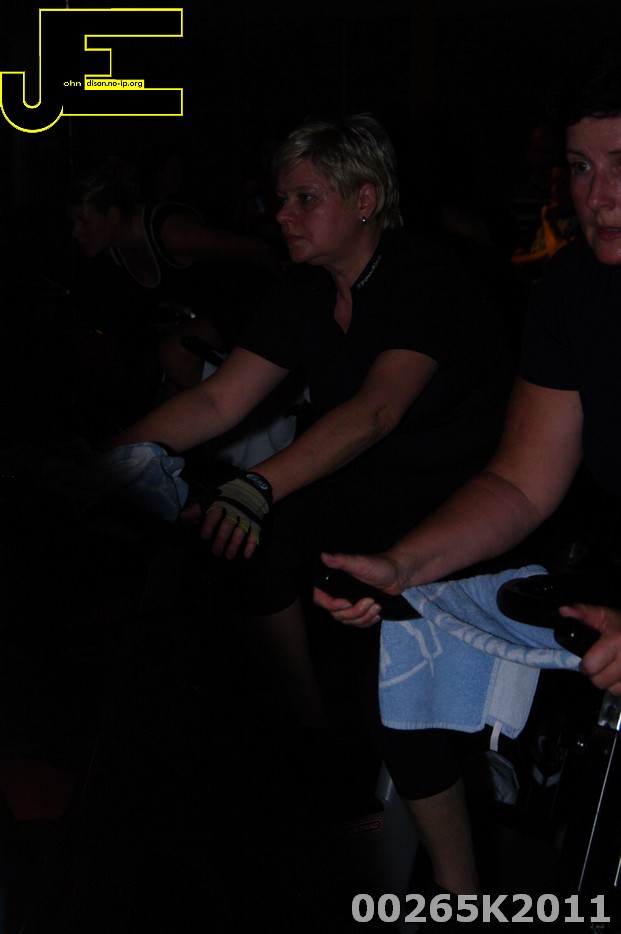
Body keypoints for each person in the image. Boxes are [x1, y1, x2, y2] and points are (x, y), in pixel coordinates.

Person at [314, 52, 621, 906]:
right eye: (581, 167)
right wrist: (404, 566)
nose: (597, 197)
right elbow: (522, 482)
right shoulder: (574, 289)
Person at [105, 113, 513, 741]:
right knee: (239, 540)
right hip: (366, 479)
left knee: (261, 518)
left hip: (456, 493)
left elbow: (376, 411)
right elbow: (218, 400)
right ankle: (307, 727)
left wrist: (257, 484)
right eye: (282, 198)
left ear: (365, 201)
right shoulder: (304, 288)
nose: (282, 215)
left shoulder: (425, 276)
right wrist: (110, 458)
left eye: (305, 199)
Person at [67, 156, 280, 406]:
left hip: (253, 302)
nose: (75, 232)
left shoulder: (172, 235)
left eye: (84, 222)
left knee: (175, 352)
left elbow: (259, 249)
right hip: (211, 318)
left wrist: (294, 298)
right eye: (72, 223)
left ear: (113, 215)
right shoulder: (114, 255)